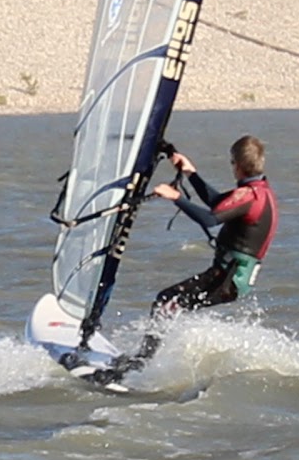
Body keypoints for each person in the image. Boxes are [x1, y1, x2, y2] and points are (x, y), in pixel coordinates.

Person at [95, 134, 279, 382]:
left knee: (165, 301)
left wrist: (176, 198)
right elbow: (218, 203)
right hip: (232, 279)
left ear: (236, 164)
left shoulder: (248, 196)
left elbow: (210, 219)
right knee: (171, 306)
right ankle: (152, 361)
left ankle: (140, 365)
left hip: (227, 280)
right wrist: (190, 172)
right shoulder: (259, 191)